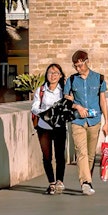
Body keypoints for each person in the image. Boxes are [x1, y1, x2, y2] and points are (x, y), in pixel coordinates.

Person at [64, 50, 108, 196]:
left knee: (90, 154)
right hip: (77, 120)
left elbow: (103, 101)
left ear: (87, 61)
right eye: (76, 66)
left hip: (94, 121)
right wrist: (77, 106)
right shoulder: (71, 80)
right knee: (81, 152)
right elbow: (66, 98)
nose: (78, 69)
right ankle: (85, 182)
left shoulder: (99, 79)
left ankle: (88, 180)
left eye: (80, 65)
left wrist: (107, 122)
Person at [32, 63, 69, 194]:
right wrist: (45, 112)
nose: (52, 76)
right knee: (47, 156)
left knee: (60, 155)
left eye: (55, 73)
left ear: (60, 76)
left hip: (59, 126)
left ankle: (60, 180)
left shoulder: (64, 90)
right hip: (44, 126)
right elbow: (34, 107)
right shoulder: (41, 90)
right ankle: (51, 182)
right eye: (50, 73)